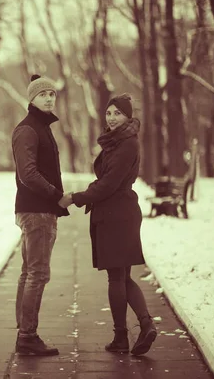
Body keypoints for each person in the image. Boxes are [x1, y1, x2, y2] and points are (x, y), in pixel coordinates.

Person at [58, 93, 157, 356]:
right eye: (109, 113)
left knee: (116, 277)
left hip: (117, 215)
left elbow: (109, 183)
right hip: (119, 212)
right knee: (123, 276)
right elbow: (107, 180)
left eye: (118, 113)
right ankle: (145, 326)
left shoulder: (126, 145)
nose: (111, 118)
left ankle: (122, 337)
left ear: (128, 116)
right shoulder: (117, 142)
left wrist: (75, 198)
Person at [11, 74, 70, 356]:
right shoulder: (28, 129)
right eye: (43, 94)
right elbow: (28, 174)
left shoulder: (41, 127)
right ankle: (27, 336)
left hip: (39, 210)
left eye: (52, 93)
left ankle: (25, 333)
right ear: (31, 98)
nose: (49, 97)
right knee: (38, 273)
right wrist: (55, 194)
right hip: (37, 211)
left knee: (29, 272)